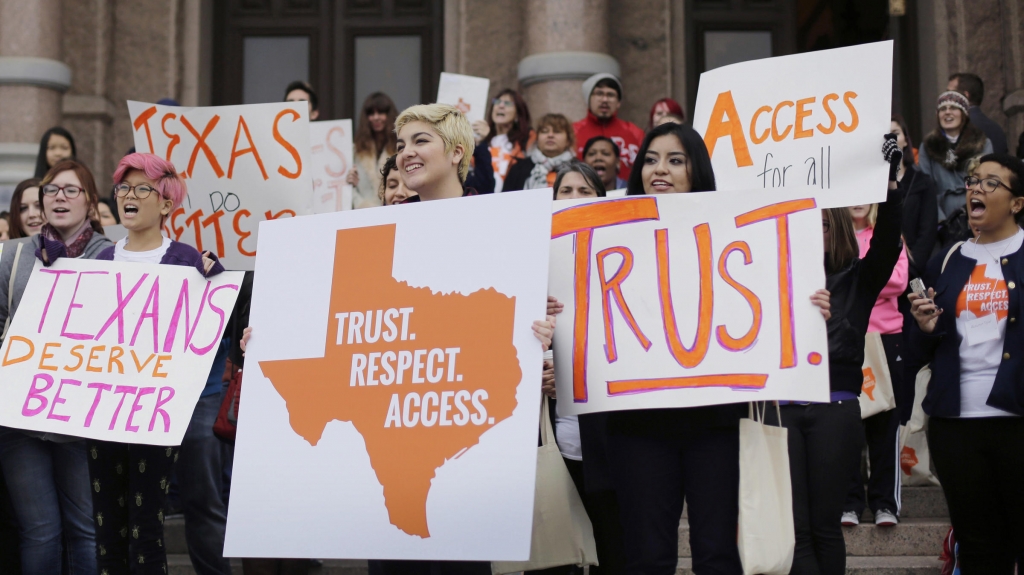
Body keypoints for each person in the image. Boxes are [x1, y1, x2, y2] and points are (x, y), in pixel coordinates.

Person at [613, 122, 830, 573]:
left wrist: (807, 310)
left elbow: (765, 302)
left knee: (717, 552)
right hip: (639, 422)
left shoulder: (734, 232)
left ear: (697, 170)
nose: (660, 169)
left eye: (676, 160)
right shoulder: (608, 237)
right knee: (646, 556)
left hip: (713, 420)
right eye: (651, 159)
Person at [763, 136, 903, 574]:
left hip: (835, 406)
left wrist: (890, 184)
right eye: (806, 221)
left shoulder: (858, 279)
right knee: (796, 529)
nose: (814, 230)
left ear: (839, 227)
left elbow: (886, 244)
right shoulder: (771, 277)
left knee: (825, 526)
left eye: (823, 223)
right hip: (781, 408)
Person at [88, 153, 221, 575]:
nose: (129, 196)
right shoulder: (98, 263)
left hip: (155, 414)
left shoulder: (186, 262)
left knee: (146, 526)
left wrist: (214, 287)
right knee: (107, 525)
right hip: (103, 411)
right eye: (124, 188)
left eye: (142, 188)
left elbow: (206, 339)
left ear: (166, 204)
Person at [909, 153, 1024, 572]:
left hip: (1016, 420)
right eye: (974, 180)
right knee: (977, 546)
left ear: (1017, 203)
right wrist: (925, 327)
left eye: (992, 183)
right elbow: (926, 346)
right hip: (955, 422)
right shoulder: (950, 257)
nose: (976, 188)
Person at [0, 159, 112, 575]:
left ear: (91, 202)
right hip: (19, 420)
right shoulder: (12, 257)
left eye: (70, 190)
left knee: (84, 530)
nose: (58, 198)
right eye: (51, 190)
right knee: (40, 530)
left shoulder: (114, 259)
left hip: (79, 420)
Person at [841, 200, 909, 528]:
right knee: (846, 424)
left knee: (885, 422)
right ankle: (849, 502)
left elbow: (898, 280)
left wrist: (855, 282)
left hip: (886, 338)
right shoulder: (834, 235)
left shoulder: (886, 232)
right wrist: (868, 277)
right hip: (846, 338)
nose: (857, 200)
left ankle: (885, 503)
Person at [919, 91, 994, 221]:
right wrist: (940, 222)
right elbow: (926, 188)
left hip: (976, 211)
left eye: (953, 108)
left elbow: (987, 182)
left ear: (963, 114)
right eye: (943, 109)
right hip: (942, 215)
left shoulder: (982, 144)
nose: (947, 112)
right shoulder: (928, 146)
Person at [891, 115, 938, 278]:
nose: (890, 139)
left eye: (895, 133)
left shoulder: (923, 182)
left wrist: (911, 269)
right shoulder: (871, 185)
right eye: (885, 135)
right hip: (881, 274)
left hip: (913, 270)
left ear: (905, 140)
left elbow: (928, 231)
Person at [573, 74, 644, 179]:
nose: (605, 99)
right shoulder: (573, 132)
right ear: (588, 99)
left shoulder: (635, 132)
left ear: (618, 102)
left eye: (610, 95)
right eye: (599, 93)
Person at [470, 89, 534, 193]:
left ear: (518, 114)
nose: (501, 106)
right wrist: (481, 142)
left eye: (508, 103)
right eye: (497, 102)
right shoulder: (479, 140)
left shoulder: (527, 140)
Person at [346, 92, 398, 208]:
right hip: (362, 215)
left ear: (389, 115)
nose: (376, 117)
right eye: (371, 113)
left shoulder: (400, 149)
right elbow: (349, 188)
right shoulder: (355, 150)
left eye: (381, 112)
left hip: (394, 212)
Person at [503, 114, 576, 192]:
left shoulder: (578, 169)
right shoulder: (518, 168)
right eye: (544, 131)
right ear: (537, 138)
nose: (550, 135)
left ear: (568, 140)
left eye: (557, 131)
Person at [949, 73, 1008, 154]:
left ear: (965, 96)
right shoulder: (997, 129)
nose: (945, 98)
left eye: (950, 93)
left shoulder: (959, 126)